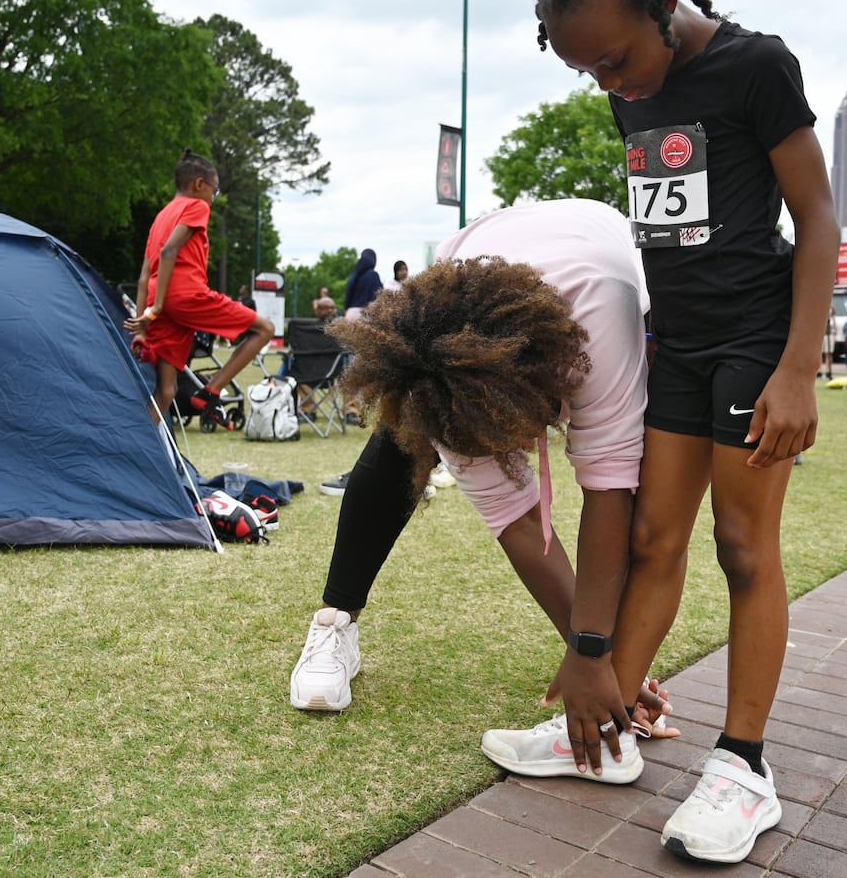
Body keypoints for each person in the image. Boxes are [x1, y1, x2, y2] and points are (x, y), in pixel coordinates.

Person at [499, 0, 838, 864]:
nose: (610, 83)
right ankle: (603, 729)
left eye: (614, 60)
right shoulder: (625, 82)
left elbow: (816, 217)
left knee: (742, 543)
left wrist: (799, 369)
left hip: (757, 338)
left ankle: (744, 768)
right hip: (678, 342)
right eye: (587, 70)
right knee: (654, 536)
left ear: (663, 2)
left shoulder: (755, 66)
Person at [287, 199, 675, 739]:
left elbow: (608, 491)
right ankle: (335, 621)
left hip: (605, 267)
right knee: (401, 442)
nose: (503, 451)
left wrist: (601, 657)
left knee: (643, 463)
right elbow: (518, 522)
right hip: (477, 272)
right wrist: (595, 661)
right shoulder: (439, 357)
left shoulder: (602, 311)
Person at [125, 149, 274, 425]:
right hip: (183, 296)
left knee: (167, 390)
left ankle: (139, 450)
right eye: (214, 191)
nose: (212, 199)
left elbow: (145, 274)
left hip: (159, 301)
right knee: (265, 329)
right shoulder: (197, 206)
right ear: (198, 185)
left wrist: (144, 318)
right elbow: (170, 252)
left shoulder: (161, 216)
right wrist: (157, 307)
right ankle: (211, 391)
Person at [343, 249, 382, 321]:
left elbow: (348, 295)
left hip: (350, 313)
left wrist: (346, 309)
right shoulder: (373, 275)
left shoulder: (354, 275)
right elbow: (378, 296)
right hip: (366, 313)